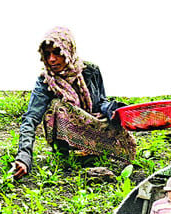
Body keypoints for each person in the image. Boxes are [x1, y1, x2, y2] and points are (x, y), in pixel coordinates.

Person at [12, 26, 136, 179]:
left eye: (57, 52)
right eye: (47, 54)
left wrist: (112, 109)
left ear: (68, 50)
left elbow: (99, 102)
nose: (52, 59)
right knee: (57, 106)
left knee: (110, 117)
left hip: (92, 123)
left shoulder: (91, 71)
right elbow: (30, 119)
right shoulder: (46, 81)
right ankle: (64, 153)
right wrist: (24, 158)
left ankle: (93, 150)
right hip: (67, 133)